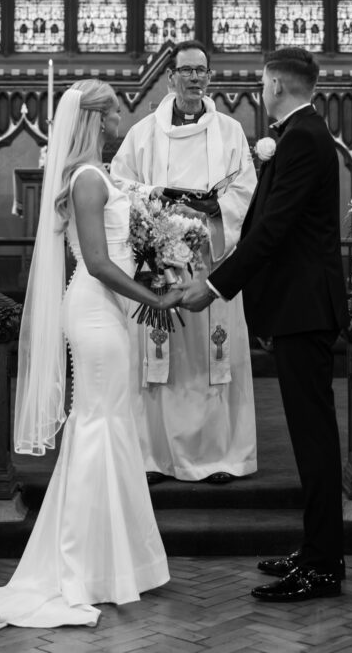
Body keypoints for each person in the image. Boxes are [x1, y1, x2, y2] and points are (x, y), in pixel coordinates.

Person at [0, 81, 181, 629]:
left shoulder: (101, 176)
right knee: (96, 425)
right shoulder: (88, 180)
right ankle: (79, 563)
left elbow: (122, 253)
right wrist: (154, 296)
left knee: (109, 425)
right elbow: (96, 262)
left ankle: (110, 562)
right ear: (93, 118)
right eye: (113, 110)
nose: (120, 117)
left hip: (109, 309)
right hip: (94, 311)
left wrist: (154, 263)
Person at [180, 47, 348, 602]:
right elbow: (267, 224)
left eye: (261, 79)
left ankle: (324, 564)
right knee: (307, 434)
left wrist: (212, 286)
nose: (259, 86)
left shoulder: (302, 137)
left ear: (275, 83)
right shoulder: (300, 132)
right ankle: (315, 548)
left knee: (314, 436)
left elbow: (271, 230)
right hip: (298, 306)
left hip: (304, 308)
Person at [110, 41, 258, 485]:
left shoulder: (230, 131)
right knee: (161, 359)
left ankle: (218, 455)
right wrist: (157, 211)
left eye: (202, 71)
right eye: (187, 71)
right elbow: (120, 185)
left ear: (209, 77)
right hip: (160, 260)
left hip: (212, 261)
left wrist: (211, 211)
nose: (195, 78)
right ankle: (154, 455)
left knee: (212, 357)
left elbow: (246, 193)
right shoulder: (143, 133)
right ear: (170, 77)